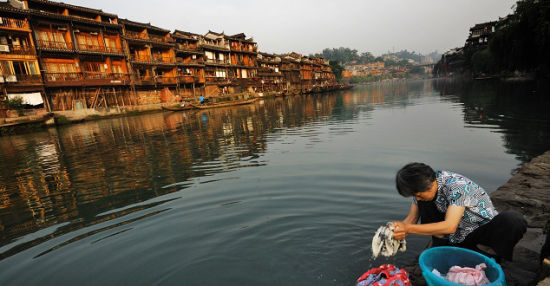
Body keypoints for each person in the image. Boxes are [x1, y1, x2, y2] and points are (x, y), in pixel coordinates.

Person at [392, 162, 526, 261]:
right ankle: (442, 246)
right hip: (455, 235)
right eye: (414, 195)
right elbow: (411, 220)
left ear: (432, 184)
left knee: (513, 220)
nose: (416, 198)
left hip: (478, 229)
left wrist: (408, 229)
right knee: (425, 203)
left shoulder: (457, 187)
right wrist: (394, 235)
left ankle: (492, 255)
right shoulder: (422, 189)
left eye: (419, 195)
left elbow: (450, 226)